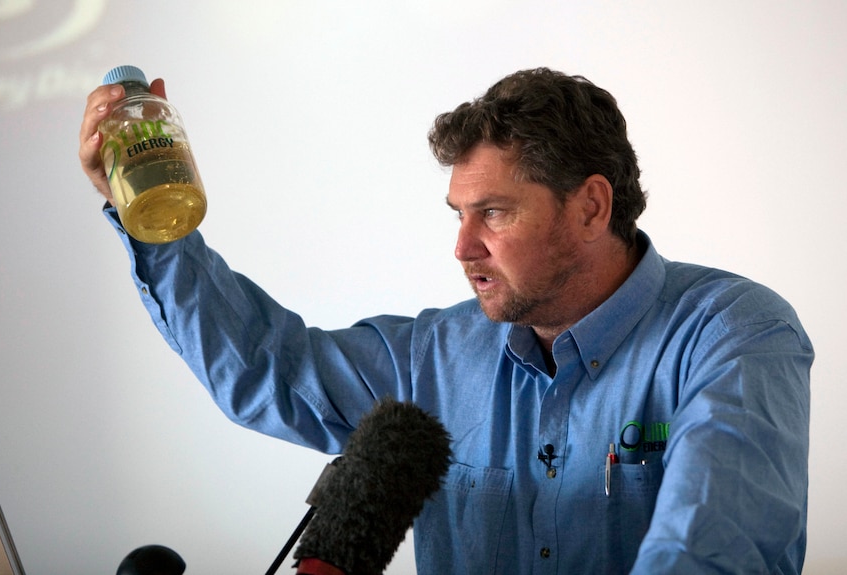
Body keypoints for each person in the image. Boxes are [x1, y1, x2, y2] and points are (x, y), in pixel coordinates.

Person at [79, 68, 813, 574]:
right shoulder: (434, 355)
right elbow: (262, 367)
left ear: (591, 206)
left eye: (493, 212)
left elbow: (713, 549)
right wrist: (151, 219)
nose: (463, 248)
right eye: (460, 215)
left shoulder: (733, 333)